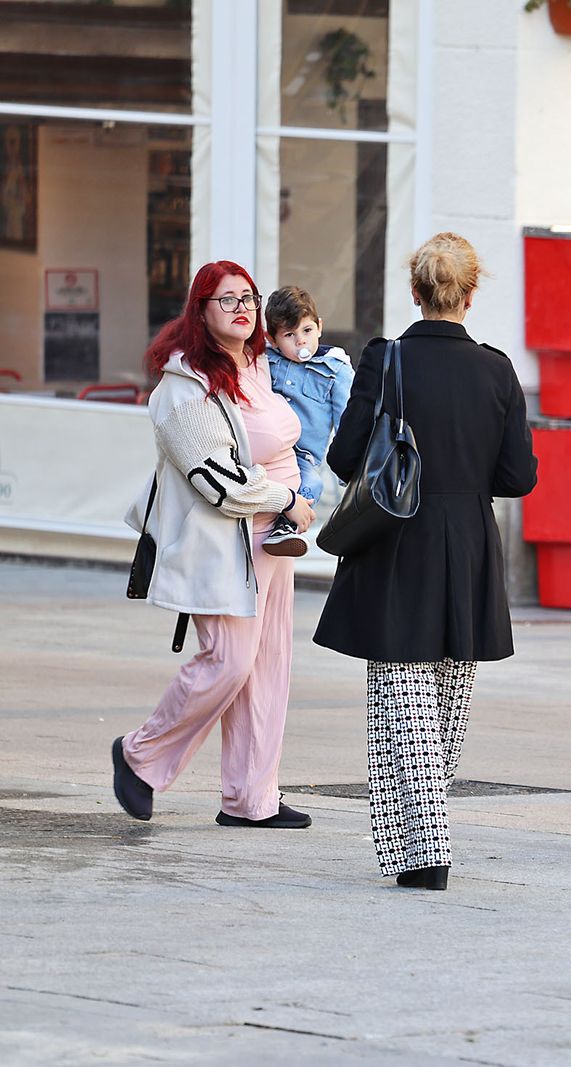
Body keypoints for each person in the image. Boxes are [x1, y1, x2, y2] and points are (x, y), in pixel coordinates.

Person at [314, 233, 537, 892]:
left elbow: (345, 457)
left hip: (397, 538)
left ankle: (428, 846)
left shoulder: (386, 361)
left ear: (415, 292)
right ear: (469, 295)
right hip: (467, 539)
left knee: (402, 691)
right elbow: (517, 475)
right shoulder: (498, 370)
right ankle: (421, 842)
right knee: (445, 697)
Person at [110, 261, 317, 830]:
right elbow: (217, 479)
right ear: (199, 310)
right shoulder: (183, 388)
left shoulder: (254, 366)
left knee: (268, 668)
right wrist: (287, 499)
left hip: (271, 543)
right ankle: (140, 755)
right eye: (227, 300)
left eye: (248, 297)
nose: (243, 308)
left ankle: (252, 800)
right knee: (228, 662)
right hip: (220, 545)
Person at [261, 285, 353, 556]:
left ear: (319, 327)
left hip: (302, 455)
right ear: (273, 339)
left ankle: (284, 528)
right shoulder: (265, 360)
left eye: (307, 331)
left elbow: (346, 421)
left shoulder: (335, 369)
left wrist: (349, 471)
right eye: (290, 335)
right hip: (265, 448)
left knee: (311, 482)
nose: (300, 341)